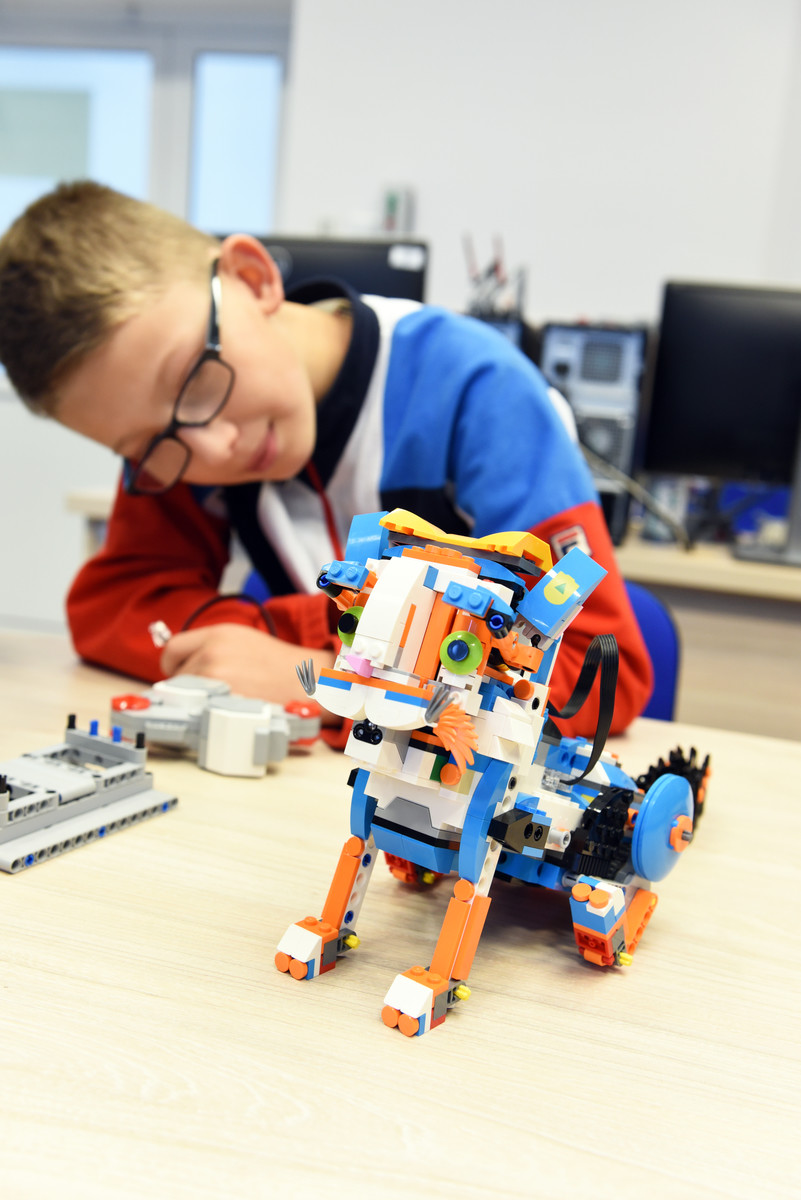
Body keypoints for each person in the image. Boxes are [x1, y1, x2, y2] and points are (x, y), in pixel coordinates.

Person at [0, 182, 652, 745]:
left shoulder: (476, 393)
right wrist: (281, 645)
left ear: (252, 277)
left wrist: (324, 676)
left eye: (195, 380)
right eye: (144, 446)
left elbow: (600, 675)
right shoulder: (173, 444)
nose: (214, 449)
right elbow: (115, 606)